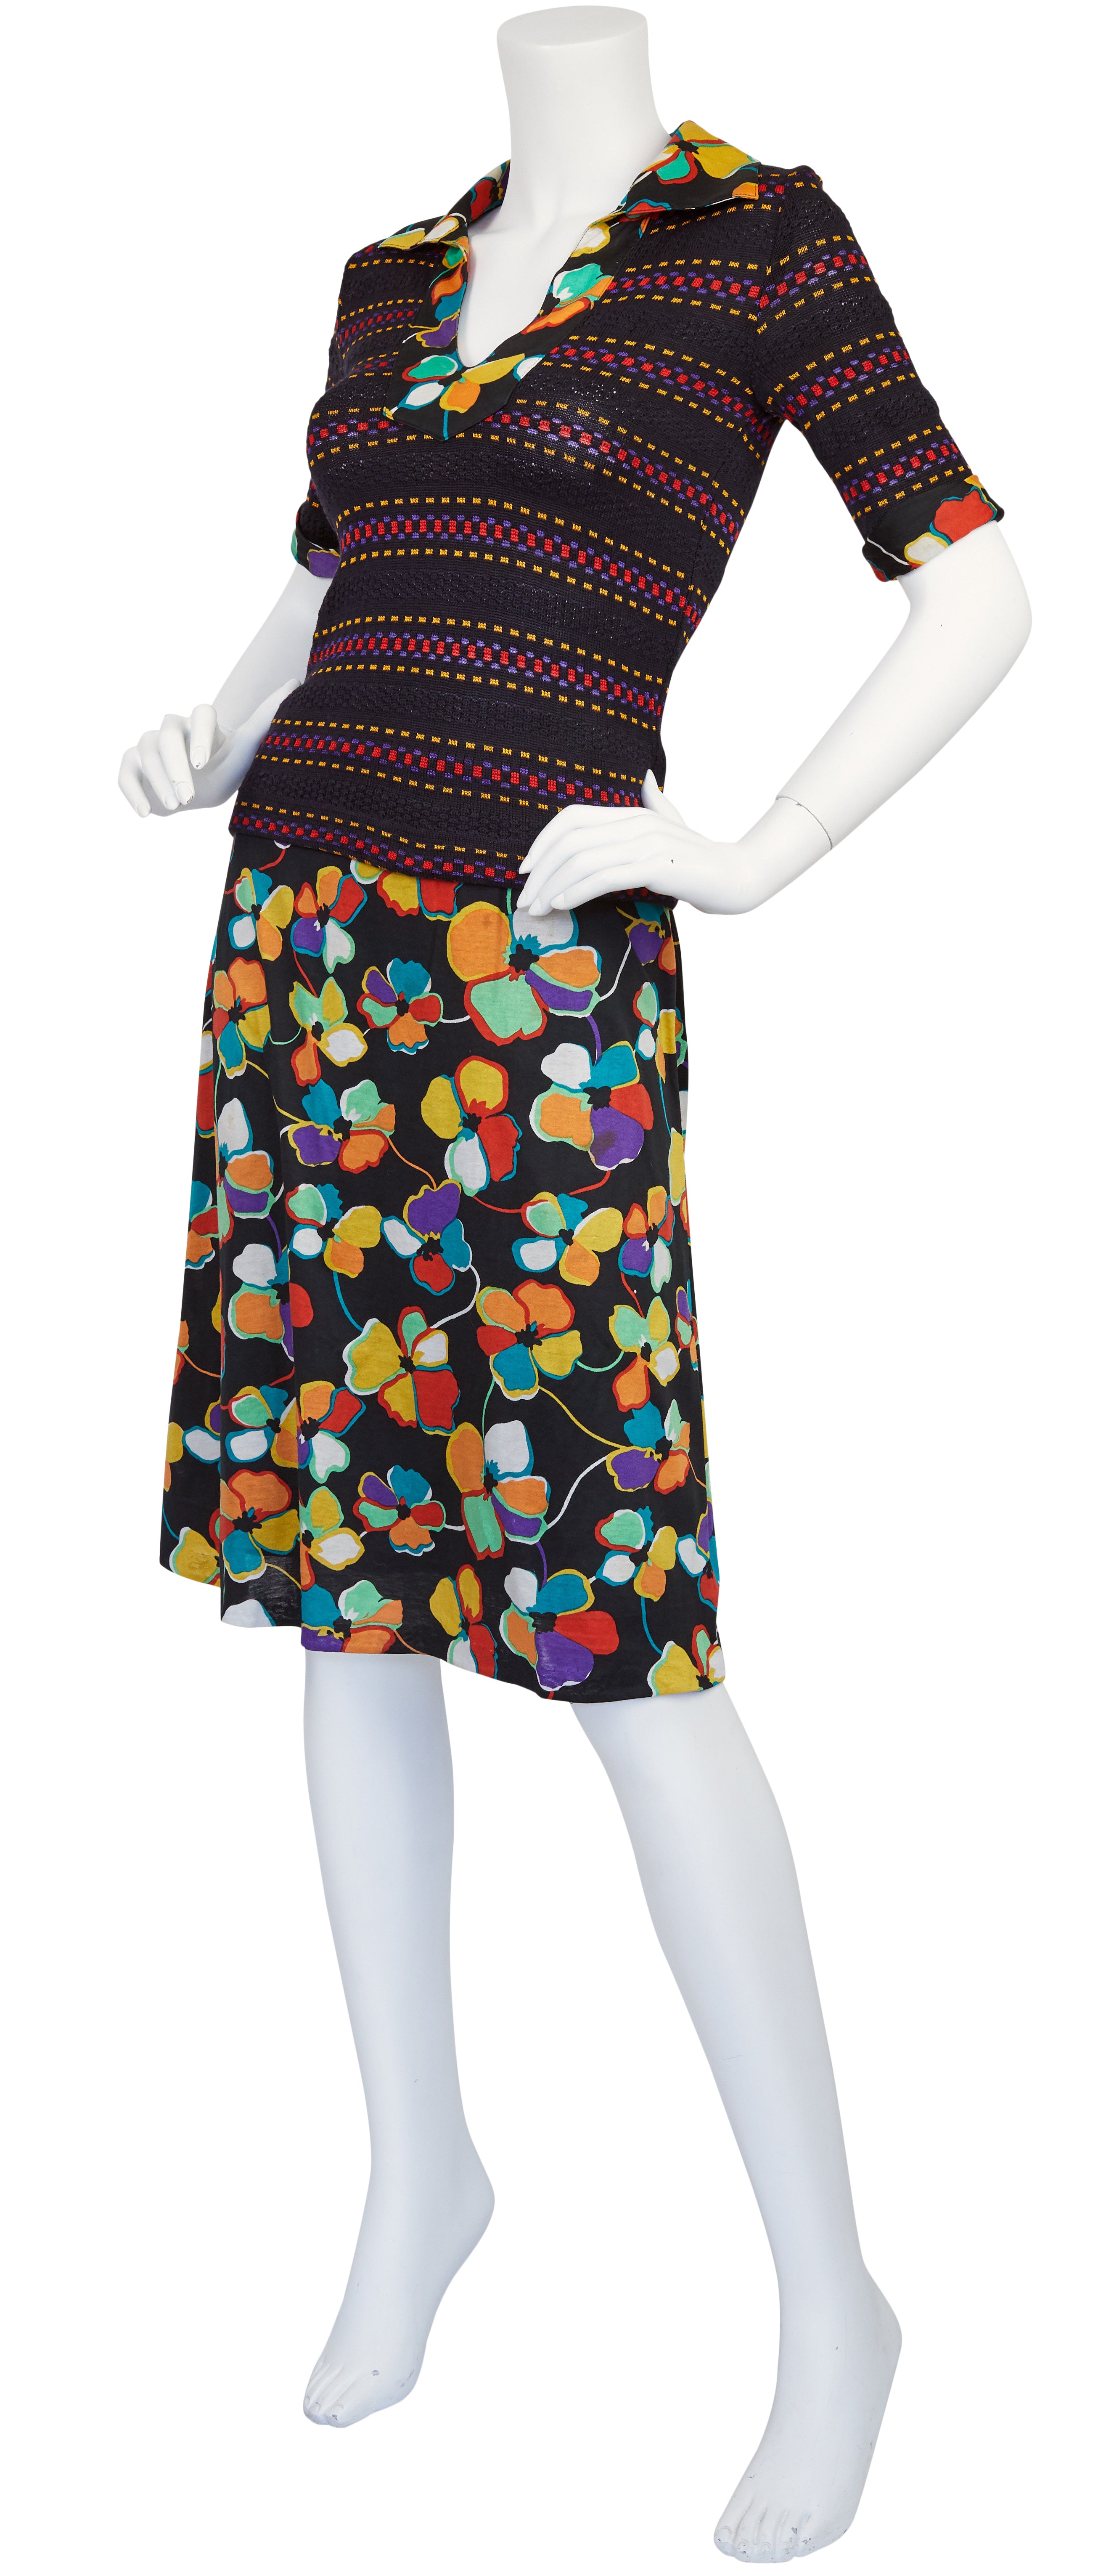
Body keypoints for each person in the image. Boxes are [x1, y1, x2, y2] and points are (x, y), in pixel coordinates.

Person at [120, 9, 1030, 2559]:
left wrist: (757, 847)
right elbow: (332, 575)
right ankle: (420, 2168)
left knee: (625, 1637)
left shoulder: (756, 240)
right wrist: (214, 727)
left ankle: (833, 2294)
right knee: (341, 1600)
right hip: (299, 959)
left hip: (535, 978)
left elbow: (972, 580)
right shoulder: (387, 273)